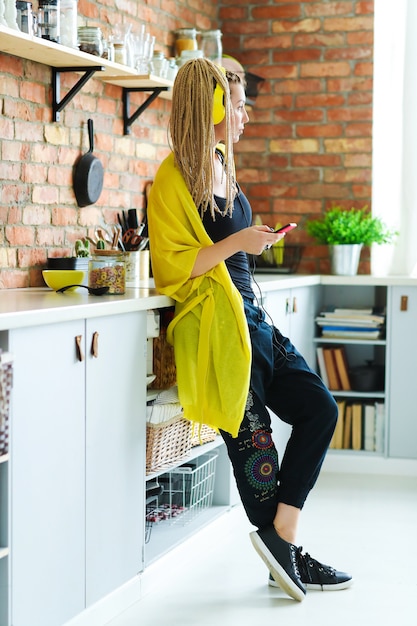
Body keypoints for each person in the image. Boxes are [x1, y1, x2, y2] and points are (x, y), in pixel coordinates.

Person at [148, 58, 353, 602]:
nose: (243, 116)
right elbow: (172, 266)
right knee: (256, 461)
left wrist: (250, 237)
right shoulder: (173, 178)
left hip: (254, 323)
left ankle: (282, 543)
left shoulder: (222, 163)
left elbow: (230, 243)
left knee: (320, 408)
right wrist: (240, 243)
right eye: (236, 105)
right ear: (211, 107)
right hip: (219, 334)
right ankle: (288, 555)